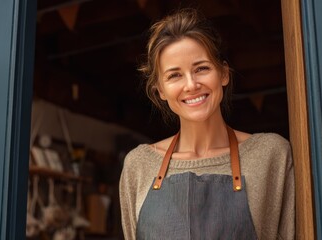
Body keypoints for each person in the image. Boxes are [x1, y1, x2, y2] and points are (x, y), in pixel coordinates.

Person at [119, 8, 295, 240]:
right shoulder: (139, 166)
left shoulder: (270, 155)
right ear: (160, 90)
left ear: (223, 73)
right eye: (175, 75)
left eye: (201, 68)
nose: (191, 85)